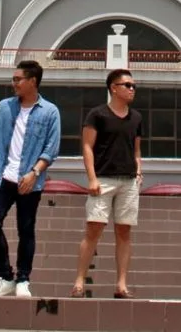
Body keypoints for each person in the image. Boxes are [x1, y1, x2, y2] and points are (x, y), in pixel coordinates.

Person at [0, 60, 61, 298]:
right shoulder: (3, 107)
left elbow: (51, 149)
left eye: (18, 79)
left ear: (32, 81)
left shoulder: (50, 111)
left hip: (30, 180)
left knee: (26, 229)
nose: (13, 83)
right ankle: (5, 277)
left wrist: (34, 172)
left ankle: (23, 279)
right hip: (3, 177)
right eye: (13, 79)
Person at [70, 68, 144, 299]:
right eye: (127, 85)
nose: (132, 89)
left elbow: (137, 150)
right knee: (93, 229)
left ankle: (121, 285)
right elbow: (87, 147)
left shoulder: (136, 118)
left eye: (133, 86)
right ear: (113, 87)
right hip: (102, 180)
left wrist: (139, 171)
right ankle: (79, 281)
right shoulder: (97, 115)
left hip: (129, 182)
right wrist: (91, 178)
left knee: (124, 232)